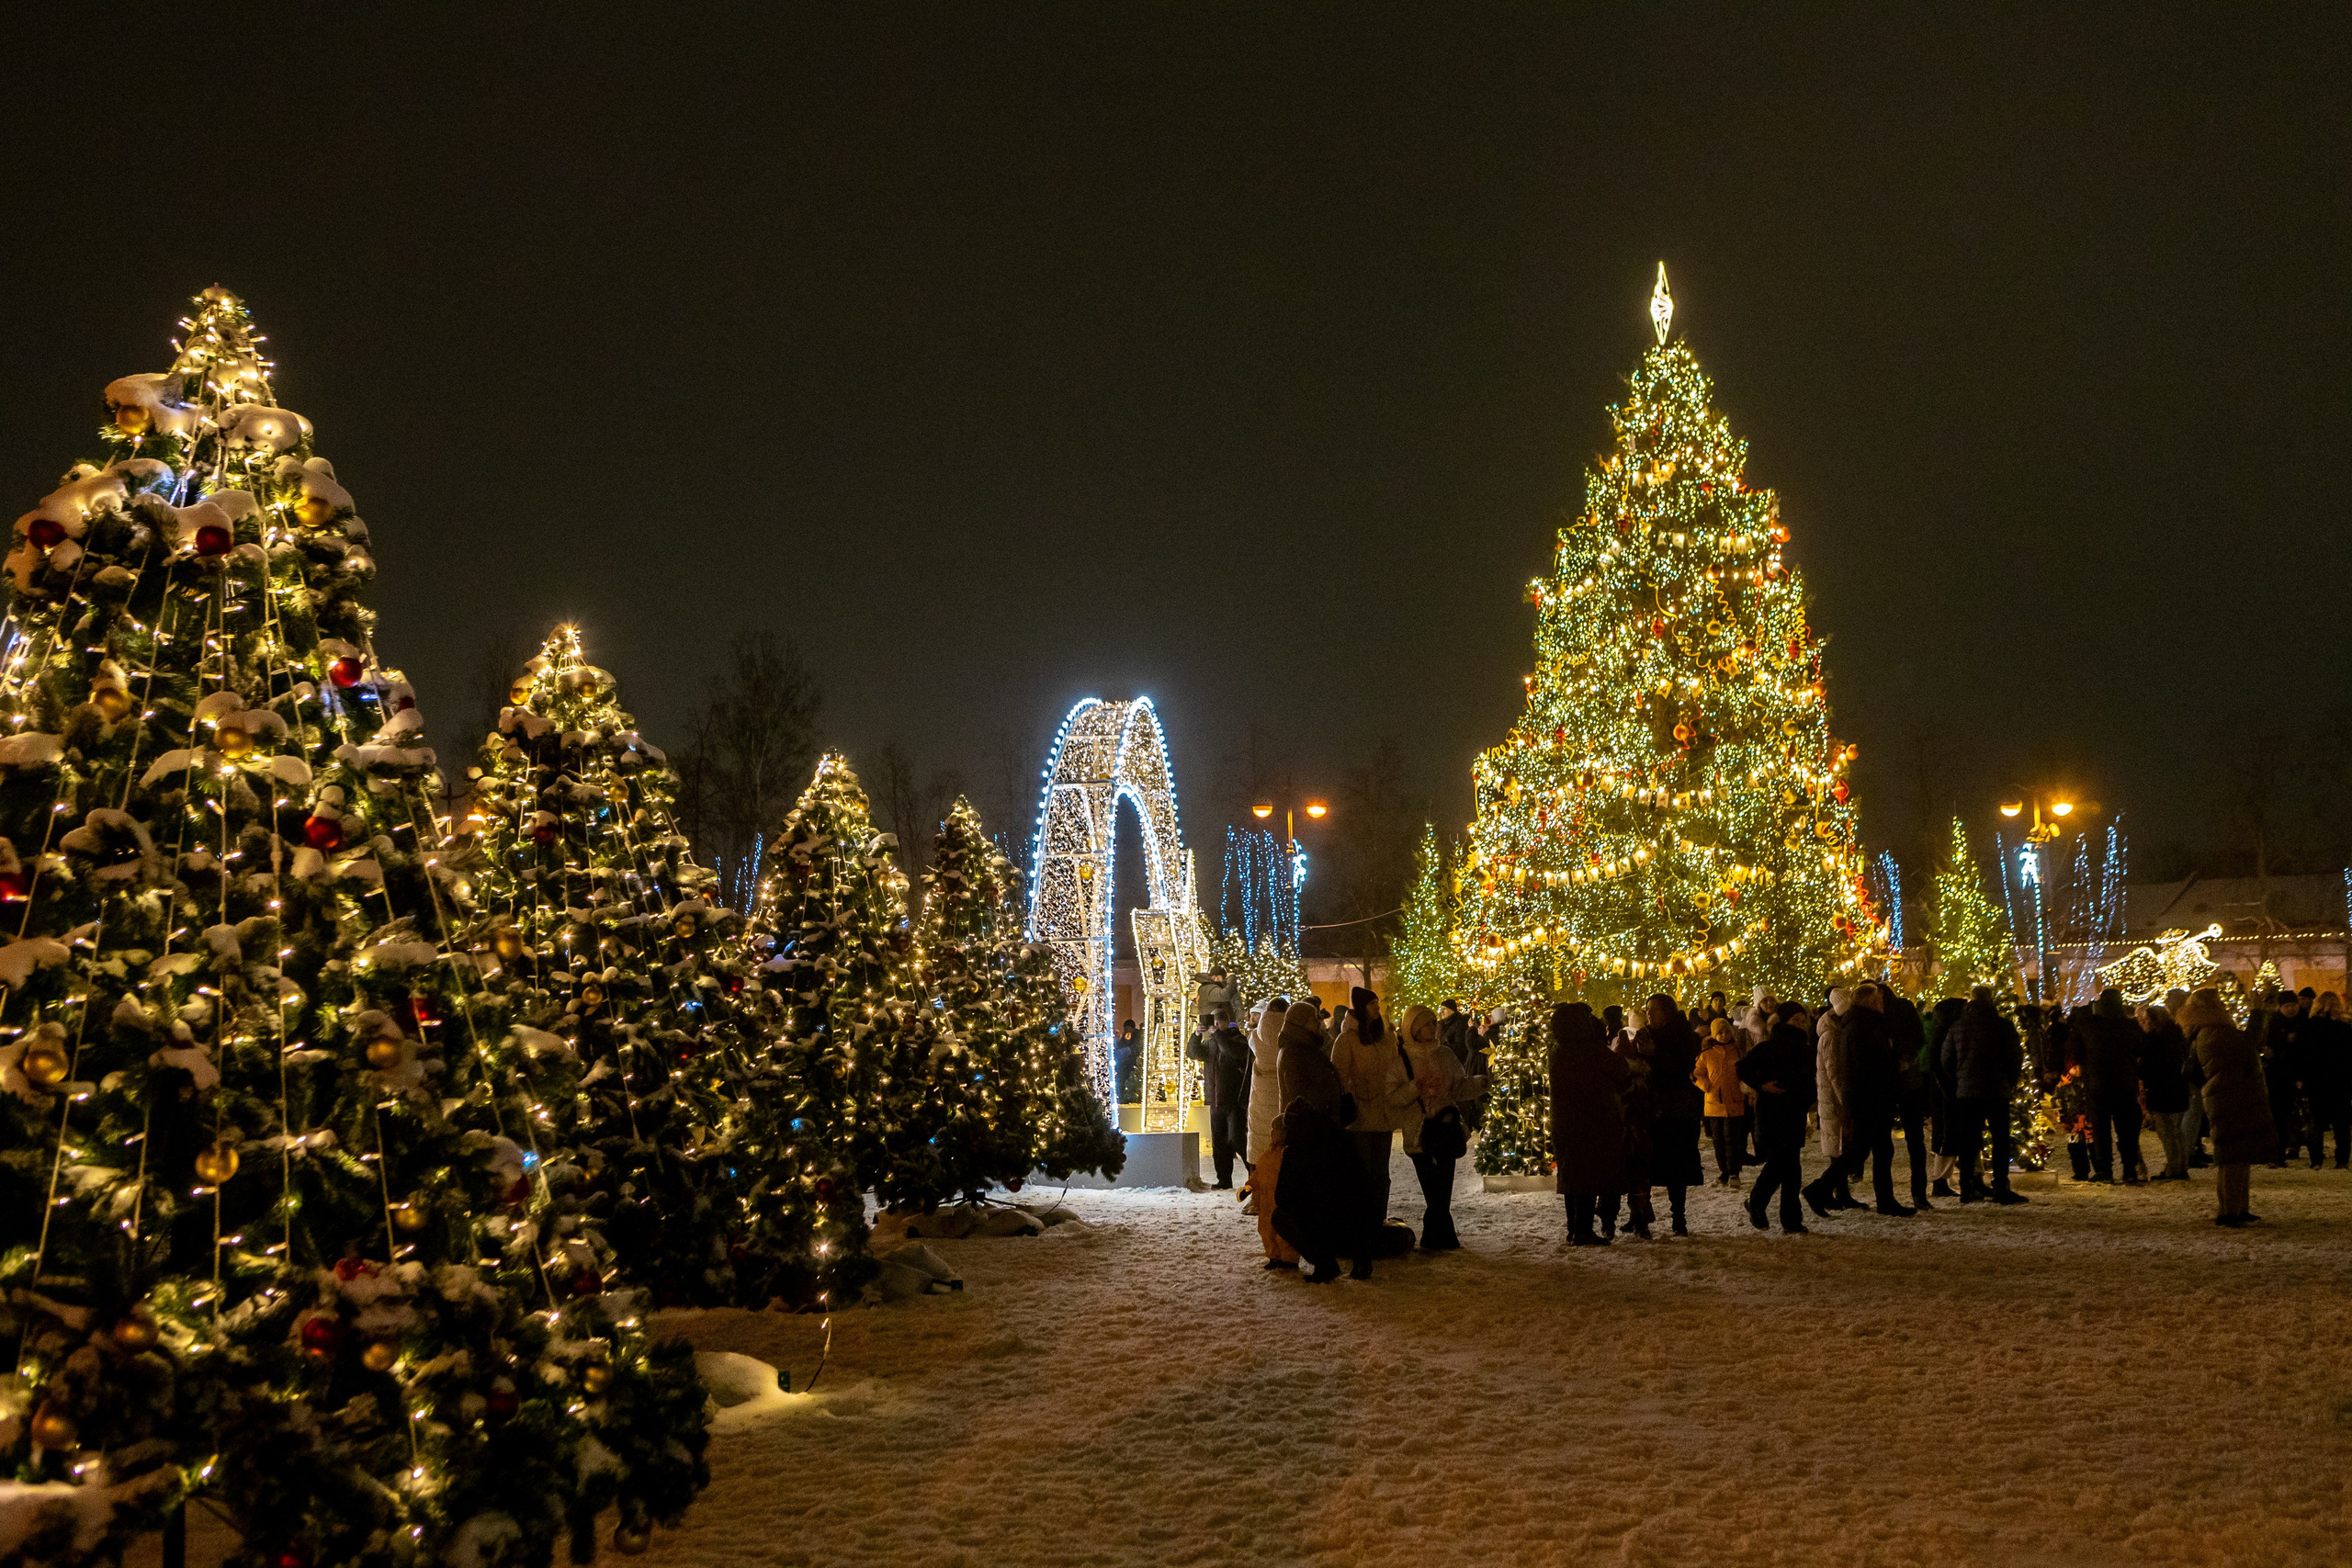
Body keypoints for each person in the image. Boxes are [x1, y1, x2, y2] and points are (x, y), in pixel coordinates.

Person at [1268, 1000, 1357, 1277]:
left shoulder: (1310, 1049)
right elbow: (1300, 1098)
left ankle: (1324, 1260)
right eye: (1312, 1021)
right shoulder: (1295, 1053)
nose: (1318, 1023)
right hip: (1308, 1137)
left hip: (1322, 1135)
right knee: (1293, 1206)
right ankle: (1320, 1258)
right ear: (1299, 1024)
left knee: (1316, 1203)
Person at [2177, 987, 2278, 1226]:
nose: (2223, 1005)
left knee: (2238, 1155)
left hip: (2230, 1096)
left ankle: (2238, 1207)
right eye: (2219, 1001)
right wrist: (2256, 1010)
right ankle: (2229, 1211)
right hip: (2230, 1097)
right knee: (2233, 1157)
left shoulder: (2207, 1029)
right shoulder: (2216, 1030)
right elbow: (2250, 1041)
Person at [1329, 987, 1414, 1234]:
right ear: (1360, 1007)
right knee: (1361, 1173)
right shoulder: (1346, 1039)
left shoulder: (1387, 1037)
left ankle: (1377, 1220)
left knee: (1381, 1174)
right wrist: (1353, 1095)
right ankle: (1359, 1224)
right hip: (1360, 1115)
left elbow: (1395, 1069)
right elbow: (1339, 1075)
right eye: (1372, 1004)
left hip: (1384, 1113)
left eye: (1378, 1003)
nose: (1378, 1008)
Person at [1548, 1001, 1631, 1246]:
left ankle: (1574, 1228)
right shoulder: (1592, 1050)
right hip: (1593, 1120)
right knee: (1588, 1175)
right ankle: (1583, 1230)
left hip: (1564, 1122)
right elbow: (1621, 1069)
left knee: (1572, 1174)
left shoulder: (1558, 1051)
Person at [1941, 986, 2028, 1205]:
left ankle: (1966, 1187)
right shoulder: (2003, 1025)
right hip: (1997, 1089)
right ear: (1991, 1000)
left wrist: (1959, 1078)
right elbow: (2015, 1056)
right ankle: (2000, 1187)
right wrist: (2010, 1081)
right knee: (2000, 1140)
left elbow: (1946, 1058)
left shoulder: (1958, 1026)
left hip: (1967, 1091)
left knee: (1968, 1140)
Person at [1738, 1001, 1818, 1234]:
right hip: (1773, 1114)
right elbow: (1742, 1068)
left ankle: (1789, 1218)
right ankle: (1759, 1203)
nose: (1801, 1025)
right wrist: (1761, 1086)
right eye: (1795, 1020)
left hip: (1794, 1113)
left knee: (1792, 1168)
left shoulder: (1805, 1048)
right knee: (1780, 1165)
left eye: (1803, 1021)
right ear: (1783, 1021)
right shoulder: (1769, 1046)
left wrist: (1808, 1102)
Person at [1632, 994, 1706, 1235]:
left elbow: (1681, 1068)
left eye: (1654, 1009)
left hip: (1677, 1109)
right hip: (1650, 1109)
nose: (1649, 1014)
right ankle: (1640, 1217)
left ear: (1668, 1011)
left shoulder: (1684, 1036)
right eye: (1647, 1010)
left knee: (1677, 1166)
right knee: (1645, 1165)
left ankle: (1679, 1218)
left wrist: (1656, 1055)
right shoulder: (1645, 1035)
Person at [1399, 1004, 1467, 1250]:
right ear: (1413, 1028)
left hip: (1446, 1126)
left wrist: (1479, 1085)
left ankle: (1437, 1236)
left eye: (1433, 1022)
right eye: (1426, 1023)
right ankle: (1441, 1236)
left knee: (1444, 1185)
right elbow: (1392, 1095)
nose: (1433, 1027)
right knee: (1432, 1186)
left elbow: (1459, 1086)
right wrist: (1413, 1089)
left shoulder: (1445, 1055)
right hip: (1418, 1129)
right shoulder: (1402, 1059)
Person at [2082, 988, 2144, 1184]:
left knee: (2100, 1127)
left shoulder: (2090, 1025)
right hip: (2124, 1082)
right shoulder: (2130, 1026)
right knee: (2127, 1128)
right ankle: (2129, 1169)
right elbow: (2140, 1048)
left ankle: (2104, 1169)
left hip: (2097, 1082)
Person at [1884, 986, 1934, 1209]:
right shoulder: (1905, 1008)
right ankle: (1919, 1194)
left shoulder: (1878, 1014)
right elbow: (1919, 1038)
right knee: (1915, 1141)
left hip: (1889, 1083)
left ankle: (1887, 1196)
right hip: (1910, 1083)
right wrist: (1908, 1058)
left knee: (1884, 1144)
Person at [2135, 1002, 2192, 1180]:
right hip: (2180, 1088)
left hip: (2162, 1091)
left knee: (2167, 1133)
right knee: (2177, 1132)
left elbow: (2147, 1068)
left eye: (2146, 1020)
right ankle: (2181, 1166)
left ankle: (2174, 1169)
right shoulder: (2177, 1036)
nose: (2143, 1023)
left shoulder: (2154, 1041)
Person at [1195, 1011, 1252, 1190]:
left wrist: (1217, 1035)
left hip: (1233, 1100)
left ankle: (1254, 1173)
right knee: (1219, 1143)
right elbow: (1193, 1053)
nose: (1215, 1026)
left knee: (1237, 1139)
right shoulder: (1211, 1042)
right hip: (1215, 1100)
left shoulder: (1238, 1040)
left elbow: (1233, 1053)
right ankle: (1224, 1180)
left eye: (1217, 1023)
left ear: (1226, 1023)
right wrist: (1196, 1036)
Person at [1693, 1016, 1751, 1186]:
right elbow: (1696, 1074)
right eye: (1720, 1032)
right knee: (1718, 1140)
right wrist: (1707, 1086)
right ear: (1713, 1035)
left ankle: (1734, 1172)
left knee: (1732, 1139)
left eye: (1727, 1031)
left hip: (1734, 1101)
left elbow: (1745, 1073)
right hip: (1714, 1104)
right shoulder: (1706, 1054)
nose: (1724, 1035)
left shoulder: (1738, 1052)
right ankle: (1724, 1172)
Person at [1243, 996, 1289, 1203]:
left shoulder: (1255, 1037)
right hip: (1282, 1097)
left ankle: (1256, 1196)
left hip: (1260, 1097)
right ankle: (1279, 1195)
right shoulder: (1290, 1036)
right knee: (1281, 1149)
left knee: (1258, 1146)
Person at [1923, 996, 1967, 1198]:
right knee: (1946, 1135)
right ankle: (1940, 1181)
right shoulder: (1945, 1032)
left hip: (1944, 1089)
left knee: (1950, 1134)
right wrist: (1948, 1088)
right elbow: (1938, 1063)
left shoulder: (1943, 1030)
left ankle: (1943, 1180)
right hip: (1945, 1091)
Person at [2303, 992, 2352, 1168]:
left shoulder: (2310, 1027)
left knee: (2316, 1120)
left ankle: (2316, 1159)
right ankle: (2342, 1160)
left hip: (2317, 1080)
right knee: (2341, 1124)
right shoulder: (2344, 1028)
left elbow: (2306, 1056)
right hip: (2340, 1081)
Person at [1114, 1020, 1141, 1104]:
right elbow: (1121, 1045)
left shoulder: (1137, 1036)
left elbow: (1135, 1048)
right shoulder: (1125, 1036)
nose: (1127, 1031)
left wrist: (1128, 1050)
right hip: (1125, 1062)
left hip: (1131, 1063)